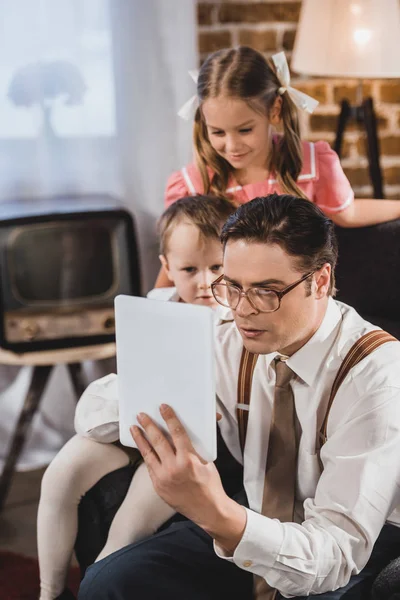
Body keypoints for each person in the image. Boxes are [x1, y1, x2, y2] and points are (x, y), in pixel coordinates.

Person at [78, 194, 400, 600]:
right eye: (232, 286)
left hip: (358, 544)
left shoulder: (377, 377)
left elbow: (334, 555)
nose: (242, 309)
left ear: (320, 281)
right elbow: (91, 410)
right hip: (257, 515)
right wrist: (159, 399)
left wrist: (217, 512)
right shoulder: (229, 332)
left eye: (266, 291)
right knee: (108, 583)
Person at [37, 195, 235, 600]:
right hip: (137, 423)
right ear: (167, 268)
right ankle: (50, 591)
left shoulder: (238, 320)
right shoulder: (156, 306)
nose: (205, 281)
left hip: (186, 444)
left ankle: (97, 589)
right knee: (61, 474)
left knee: (130, 524)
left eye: (218, 267)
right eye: (189, 269)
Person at [156, 46, 400, 288]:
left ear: (274, 111)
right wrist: (153, 306)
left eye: (245, 130)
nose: (232, 145)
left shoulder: (313, 166)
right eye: (218, 132)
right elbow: (178, 261)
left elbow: (348, 213)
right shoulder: (192, 185)